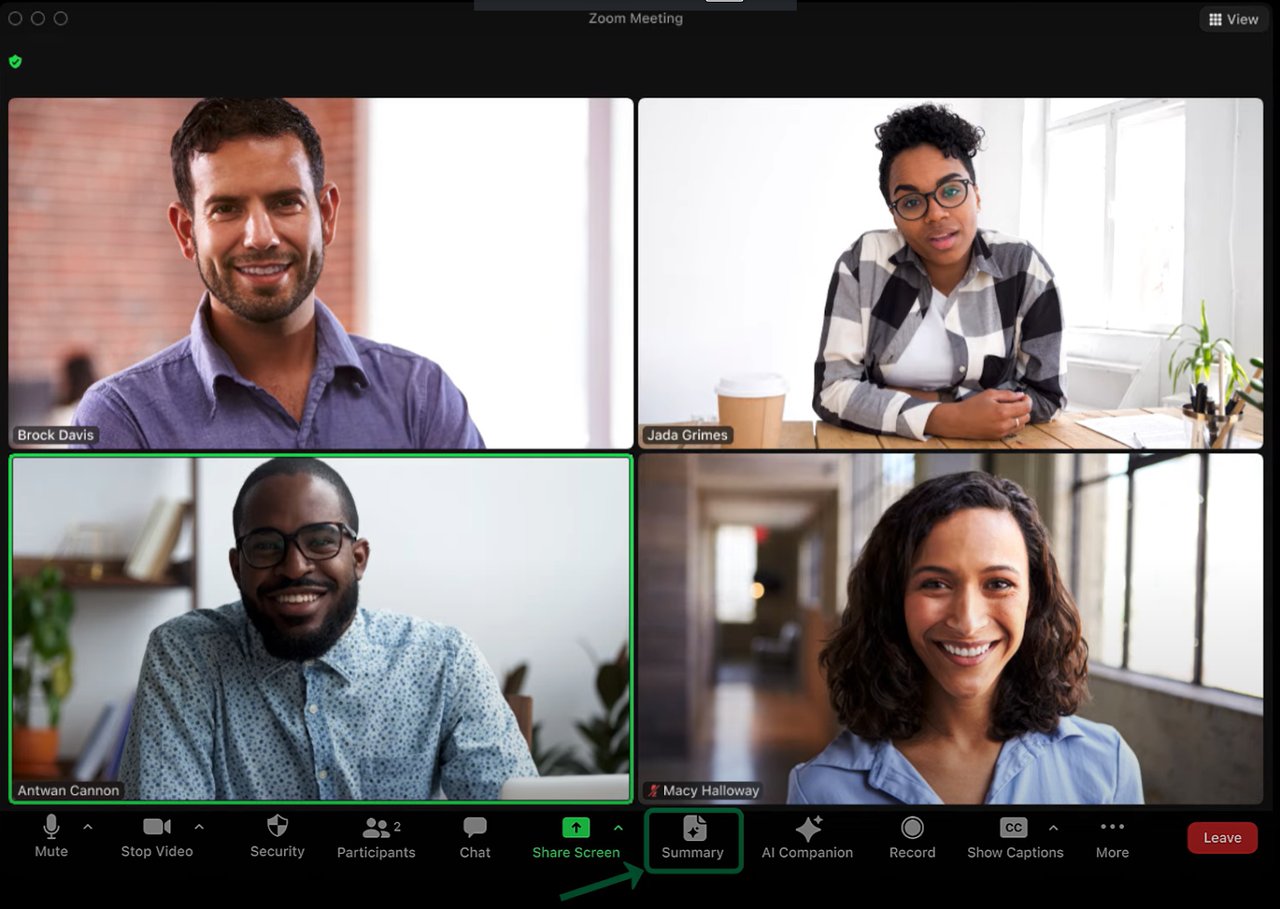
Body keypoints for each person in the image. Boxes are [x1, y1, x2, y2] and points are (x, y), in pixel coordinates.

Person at [73, 98, 483, 449]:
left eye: (285, 203)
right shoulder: (122, 419)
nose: (260, 237)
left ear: (326, 215)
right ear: (186, 232)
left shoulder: (422, 397)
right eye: (226, 209)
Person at [119, 458, 535, 799]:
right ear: (236, 567)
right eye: (266, 545)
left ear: (359, 558)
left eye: (320, 540)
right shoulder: (187, 655)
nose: (295, 567)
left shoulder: (442, 660)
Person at [788, 471, 1142, 804]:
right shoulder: (819, 789)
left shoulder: (1107, 767)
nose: (968, 622)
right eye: (935, 584)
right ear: (893, 600)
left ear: (1033, 599)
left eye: (999, 584)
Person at [813, 104, 1066, 441]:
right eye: (912, 202)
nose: (935, 214)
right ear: (894, 214)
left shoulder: (1022, 267)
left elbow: (1047, 396)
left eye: (950, 191)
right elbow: (832, 392)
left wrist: (894, 397)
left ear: (976, 195)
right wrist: (948, 418)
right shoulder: (863, 264)